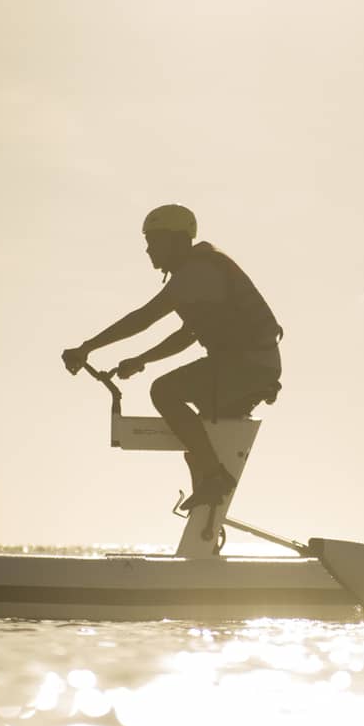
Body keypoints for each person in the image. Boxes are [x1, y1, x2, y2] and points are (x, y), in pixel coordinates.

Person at [62, 204, 283, 510]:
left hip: (247, 367)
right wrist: (142, 359)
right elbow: (187, 335)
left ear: (177, 240)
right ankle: (209, 502)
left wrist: (87, 347)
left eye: (154, 241)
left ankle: (215, 478)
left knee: (164, 391)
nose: (148, 249)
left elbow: (144, 318)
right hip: (250, 367)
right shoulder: (196, 274)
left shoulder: (197, 273)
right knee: (196, 439)